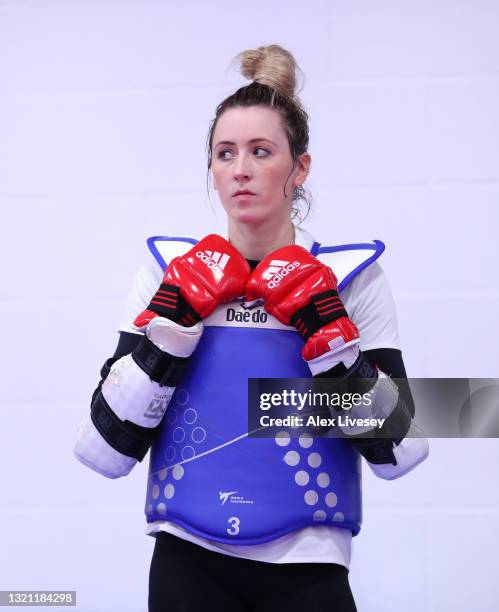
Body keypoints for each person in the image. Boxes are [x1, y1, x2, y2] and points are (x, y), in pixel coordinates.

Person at [74, 44, 429, 612]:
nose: (240, 169)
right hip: (186, 560)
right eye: (224, 153)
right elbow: (103, 453)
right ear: (211, 168)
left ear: (300, 166)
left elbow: (402, 453)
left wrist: (332, 343)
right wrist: (169, 333)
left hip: (309, 564)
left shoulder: (351, 278)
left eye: (261, 151)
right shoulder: (166, 271)